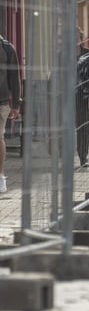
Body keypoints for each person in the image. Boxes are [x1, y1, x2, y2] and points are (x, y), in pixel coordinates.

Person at [0, 34, 20, 193]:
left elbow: (15, 77)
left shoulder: (6, 47)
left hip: (1, 101)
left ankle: (0, 177)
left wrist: (16, 105)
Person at [76, 28, 89, 168]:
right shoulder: (61, 55)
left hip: (83, 96)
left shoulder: (88, 54)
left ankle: (83, 157)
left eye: (77, 37)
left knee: (84, 128)